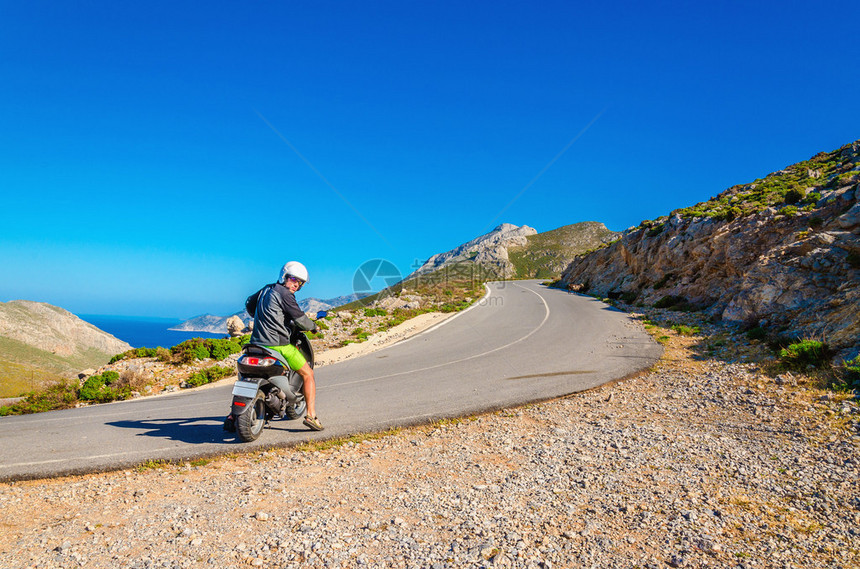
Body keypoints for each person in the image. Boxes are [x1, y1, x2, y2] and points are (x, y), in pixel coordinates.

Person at [245, 261, 324, 431]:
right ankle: (311, 415)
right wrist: (314, 327)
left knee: (245, 373)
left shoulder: (266, 289)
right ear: (284, 276)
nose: (296, 284)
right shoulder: (286, 294)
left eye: (300, 283)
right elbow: (300, 319)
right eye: (294, 279)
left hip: (255, 343)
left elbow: (249, 305)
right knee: (308, 374)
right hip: (278, 346)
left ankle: (232, 415)